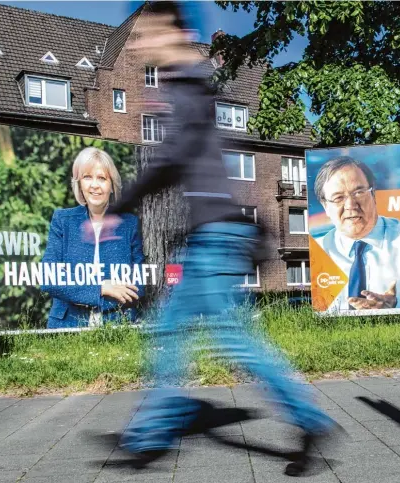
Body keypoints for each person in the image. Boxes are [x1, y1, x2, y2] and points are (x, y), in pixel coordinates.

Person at [103, 2, 337, 477]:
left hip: (216, 236)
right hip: (209, 237)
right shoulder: (187, 87)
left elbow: (173, 155)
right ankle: (147, 437)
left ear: (178, 33)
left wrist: (122, 203)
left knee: (233, 339)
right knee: (171, 331)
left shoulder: (189, 87)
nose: (144, 43)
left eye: (150, 33)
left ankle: (310, 418)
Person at [314, 156, 400, 311]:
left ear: (373, 194)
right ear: (325, 206)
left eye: (359, 192)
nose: (351, 205)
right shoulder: (319, 252)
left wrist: (395, 307)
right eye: (338, 198)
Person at [41, 147, 144, 328]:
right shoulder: (63, 221)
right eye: (87, 177)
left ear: (112, 185)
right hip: (66, 324)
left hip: (117, 323)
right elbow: (49, 278)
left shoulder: (129, 224)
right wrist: (102, 288)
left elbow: (138, 284)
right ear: (79, 183)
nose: (94, 185)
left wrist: (76, 288)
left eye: (102, 178)